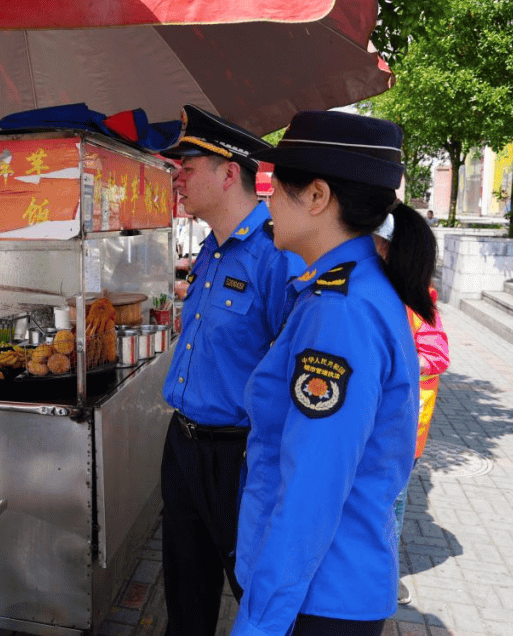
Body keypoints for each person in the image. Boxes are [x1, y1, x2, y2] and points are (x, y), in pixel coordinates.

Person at [231, 111, 436, 636]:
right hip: (324, 587)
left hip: (317, 598)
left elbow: (311, 490)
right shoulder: (344, 290)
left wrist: (258, 622)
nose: (266, 202)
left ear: (317, 197)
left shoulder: (338, 311)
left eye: (274, 188)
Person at [159, 104, 303, 636]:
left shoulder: (276, 254)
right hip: (183, 446)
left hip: (239, 458)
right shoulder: (212, 251)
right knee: (184, 594)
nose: (177, 175)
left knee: (253, 594)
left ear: (227, 172)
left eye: (188, 165)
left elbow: (294, 373)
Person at [374, 214, 451, 606]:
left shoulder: (421, 304)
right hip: (380, 429)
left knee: (393, 503)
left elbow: (437, 355)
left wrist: (400, 361)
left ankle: (387, 576)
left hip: (405, 433)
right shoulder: (375, 293)